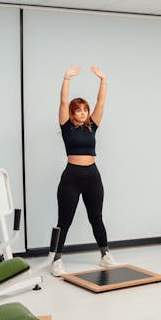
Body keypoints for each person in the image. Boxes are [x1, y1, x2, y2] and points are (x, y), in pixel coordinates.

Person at [51, 65, 117, 276]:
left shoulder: (93, 125)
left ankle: (105, 255)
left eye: (84, 110)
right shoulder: (66, 126)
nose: (82, 113)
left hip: (92, 177)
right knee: (64, 220)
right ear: (71, 113)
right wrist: (67, 79)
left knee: (96, 217)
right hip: (71, 177)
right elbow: (62, 101)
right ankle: (57, 259)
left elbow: (101, 102)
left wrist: (103, 80)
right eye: (78, 110)